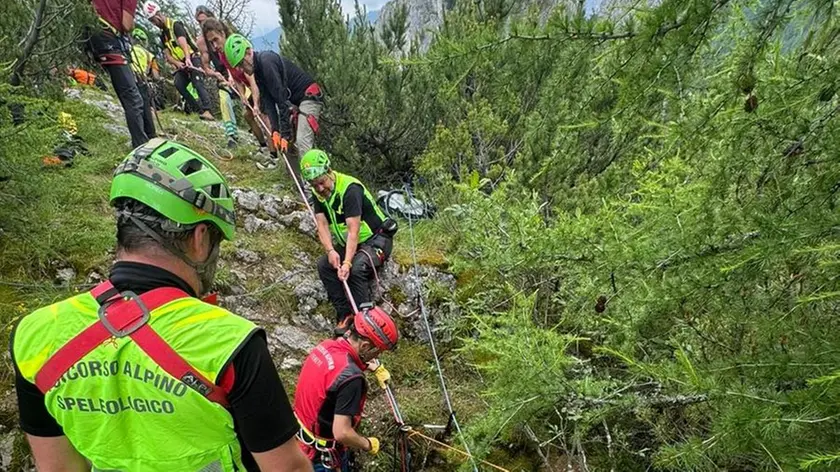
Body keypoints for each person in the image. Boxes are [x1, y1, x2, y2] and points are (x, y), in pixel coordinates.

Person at [11, 139, 313, 472]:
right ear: (200, 239)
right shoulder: (229, 342)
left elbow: (57, 468)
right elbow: (288, 468)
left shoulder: (34, 335)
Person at [299, 149, 398, 328]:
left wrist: (346, 263)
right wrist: (330, 250)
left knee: (357, 268)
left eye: (322, 182)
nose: (320, 188)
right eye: (314, 185)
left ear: (329, 171)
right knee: (324, 265)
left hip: (376, 239)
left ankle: (364, 321)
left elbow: (354, 230)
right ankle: (345, 314)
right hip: (352, 243)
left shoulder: (350, 189)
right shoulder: (319, 192)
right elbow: (321, 224)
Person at [293, 309, 398, 471]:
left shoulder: (326, 346)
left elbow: (337, 367)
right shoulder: (352, 379)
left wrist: (368, 366)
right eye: (377, 352)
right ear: (365, 345)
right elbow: (342, 432)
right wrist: (368, 444)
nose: (376, 356)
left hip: (297, 442)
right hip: (321, 457)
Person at [224, 34, 324, 171]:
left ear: (248, 52)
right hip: (294, 102)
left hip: (309, 97)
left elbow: (281, 100)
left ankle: (311, 187)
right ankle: (298, 183)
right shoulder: (258, 70)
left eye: (241, 63)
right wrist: (276, 130)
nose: (241, 69)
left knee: (302, 142)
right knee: (286, 145)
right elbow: (269, 102)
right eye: (238, 66)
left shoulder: (267, 63)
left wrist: (285, 133)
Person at [86, 0, 150, 147]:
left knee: (133, 93)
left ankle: (147, 137)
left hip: (94, 36)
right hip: (109, 40)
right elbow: (126, 24)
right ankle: (141, 145)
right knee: (133, 98)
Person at [201, 19, 269, 153]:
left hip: (262, 85)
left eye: (216, 40)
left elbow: (253, 79)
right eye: (211, 43)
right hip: (249, 87)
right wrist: (242, 95)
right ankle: (264, 147)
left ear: (222, 33)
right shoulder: (222, 55)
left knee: (263, 117)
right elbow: (237, 78)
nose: (215, 46)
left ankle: (274, 155)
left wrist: (255, 103)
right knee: (247, 115)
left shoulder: (234, 49)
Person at [142, 1, 214, 121]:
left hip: (192, 57)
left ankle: (208, 110)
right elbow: (168, 55)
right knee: (179, 84)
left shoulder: (175, 25)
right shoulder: (162, 35)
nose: (154, 24)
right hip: (180, 63)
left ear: (158, 15)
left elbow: (184, 44)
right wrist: (177, 63)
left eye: (154, 20)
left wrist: (187, 59)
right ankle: (198, 110)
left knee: (197, 82)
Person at [194, 6, 238, 148]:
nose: (203, 24)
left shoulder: (224, 33)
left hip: (237, 71)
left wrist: (233, 76)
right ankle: (231, 135)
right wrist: (217, 75)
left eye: (204, 20)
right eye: (199, 22)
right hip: (222, 75)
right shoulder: (202, 42)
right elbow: (205, 67)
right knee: (224, 100)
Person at [129, 28, 158, 138]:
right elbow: (156, 76)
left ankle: (138, 135)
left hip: (129, 78)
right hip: (141, 79)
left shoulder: (128, 50)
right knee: (145, 107)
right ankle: (151, 134)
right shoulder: (149, 55)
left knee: (132, 106)